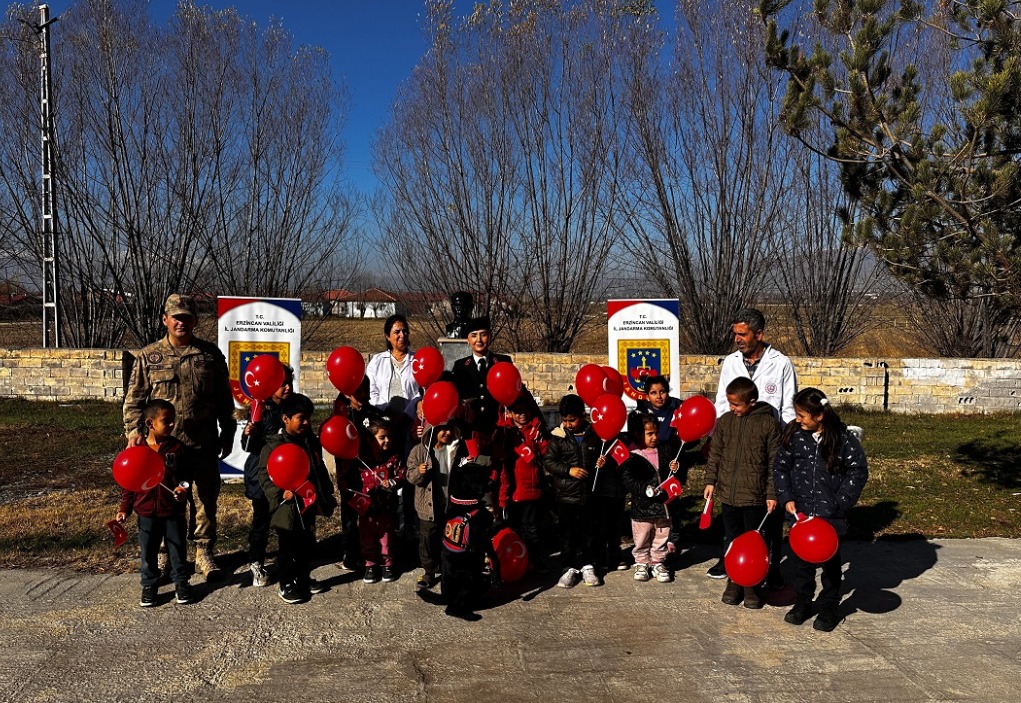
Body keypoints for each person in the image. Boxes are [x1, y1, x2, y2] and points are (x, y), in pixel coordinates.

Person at [122, 294, 236, 579]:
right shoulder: (149, 356)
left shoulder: (209, 355)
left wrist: (229, 431)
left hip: (202, 443)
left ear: (195, 321)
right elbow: (134, 400)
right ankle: (164, 555)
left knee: (205, 499)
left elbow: (224, 399)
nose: (181, 322)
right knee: (162, 501)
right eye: (176, 317)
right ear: (165, 320)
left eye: (186, 317)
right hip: (162, 450)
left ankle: (204, 552)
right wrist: (134, 433)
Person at [708, 307, 797, 583]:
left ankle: (772, 568)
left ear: (759, 334)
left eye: (743, 334)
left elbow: (789, 409)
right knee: (733, 507)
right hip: (736, 445)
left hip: (767, 444)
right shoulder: (731, 362)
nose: (738, 339)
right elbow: (722, 404)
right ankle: (729, 560)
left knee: (767, 512)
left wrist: (784, 446)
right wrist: (714, 439)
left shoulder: (781, 363)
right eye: (735, 333)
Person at [774, 388, 868, 632]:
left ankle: (828, 606)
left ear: (819, 416)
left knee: (830, 565)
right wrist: (786, 497)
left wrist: (841, 501)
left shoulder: (841, 438)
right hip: (802, 513)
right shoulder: (794, 435)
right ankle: (803, 602)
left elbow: (857, 470)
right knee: (802, 563)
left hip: (829, 516)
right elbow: (780, 468)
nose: (797, 419)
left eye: (802, 415)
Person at [703, 377, 781, 609]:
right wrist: (711, 481)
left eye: (736, 404)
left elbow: (774, 463)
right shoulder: (726, 421)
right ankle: (734, 580)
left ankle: (752, 586)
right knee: (731, 539)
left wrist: (772, 493)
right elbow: (715, 453)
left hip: (755, 497)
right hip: (729, 494)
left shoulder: (768, 425)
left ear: (752, 402)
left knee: (754, 542)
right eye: (729, 403)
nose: (732, 408)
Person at [258, 393, 337, 604]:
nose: (306, 422)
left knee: (306, 544)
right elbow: (265, 477)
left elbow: (318, 470)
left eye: (308, 418)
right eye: (301, 418)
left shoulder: (310, 442)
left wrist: (325, 493)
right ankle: (286, 583)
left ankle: (303, 577)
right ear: (285, 419)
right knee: (287, 546)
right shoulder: (274, 446)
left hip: (307, 503)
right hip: (286, 506)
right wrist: (279, 493)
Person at [116, 399, 196, 607]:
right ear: (150, 424)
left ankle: (181, 583)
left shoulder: (177, 448)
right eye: (166, 421)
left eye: (173, 420)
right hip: (146, 514)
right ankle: (149, 586)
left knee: (177, 550)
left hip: (173, 512)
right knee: (148, 552)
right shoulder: (138, 450)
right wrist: (125, 509)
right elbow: (129, 483)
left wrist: (183, 489)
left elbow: (186, 475)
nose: (172, 425)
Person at [240, 364, 293, 588]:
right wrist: (249, 433)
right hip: (261, 477)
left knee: (286, 521)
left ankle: (287, 559)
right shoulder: (261, 410)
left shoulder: (294, 407)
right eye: (282, 384)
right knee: (261, 522)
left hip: (287, 475)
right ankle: (256, 562)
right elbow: (248, 447)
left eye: (290, 382)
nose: (288, 387)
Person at [543, 394, 604, 588]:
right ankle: (567, 567)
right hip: (565, 497)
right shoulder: (558, 438)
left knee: (588, 533)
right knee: (567, 534)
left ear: (583, 416)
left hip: (588, 496)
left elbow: (600, 455)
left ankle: (587, 566)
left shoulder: (593, 435)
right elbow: (549, 462)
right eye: (565, 420)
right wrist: (569, 471)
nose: (568, 424)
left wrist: (601, 462)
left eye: (572, 420)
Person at [620, 412, 684, 584]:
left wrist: (674, 467)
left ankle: (658, 562)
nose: (655, 437)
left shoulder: (664, 449)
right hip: (642, 506)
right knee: (642, 536)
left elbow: (670, 473)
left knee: (661, 535)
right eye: (649, 434)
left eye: (656, 432)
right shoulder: (632, 454)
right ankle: (641, 562)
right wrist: (644, 489)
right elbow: (627, 479)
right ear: (638, 434)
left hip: (663, 505)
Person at [407, 420, 468, 590]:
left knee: (450, 538)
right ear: (432, 430)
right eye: (443, 429)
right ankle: (429, 571)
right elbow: (410, 477)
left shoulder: (455, 449)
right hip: (428, 506)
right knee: (428, 540)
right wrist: (419, 473)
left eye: (450, 429)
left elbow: (463, 470)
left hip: (450, 504)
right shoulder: (419, 451)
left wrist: (466, 464)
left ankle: (449, 569)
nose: (447, 433)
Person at [495, 389, 549, 572]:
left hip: (532, 490)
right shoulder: (504, 433)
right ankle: (518, 562)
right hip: (512, 491)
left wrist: (540, 440)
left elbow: (545, 455)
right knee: (515, 530)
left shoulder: (535, 430)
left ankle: (536, 561)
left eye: (524, 410)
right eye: (517, 411)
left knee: (532, 530)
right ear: (509, 413)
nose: (522, 414)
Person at [358, 418, 407, 584]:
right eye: (382, 437)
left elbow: (402, 474)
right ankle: (370, 565)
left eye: (389, 437)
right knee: (367, 537)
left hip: (387, 507)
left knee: (386, 537)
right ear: (371, 439)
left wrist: (392, 482)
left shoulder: (393, 458)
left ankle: (387, 564)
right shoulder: (362, 460)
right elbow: (354, 480)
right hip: (367, 509)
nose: (387, 440)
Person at [452, 315, 512, 443]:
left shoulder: (503, 362)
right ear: (468, 339)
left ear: (489, 336)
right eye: (473, 335)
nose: (478, 340)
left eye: (483, 334)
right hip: (470, 432)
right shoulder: (460, 366)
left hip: (498, 430)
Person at [637, 375, 681, 445]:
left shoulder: (678, 407)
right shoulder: (642, 411)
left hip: (672, 451)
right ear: (648, 397)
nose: (658, 396)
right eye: (653, 393)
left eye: (662, 392)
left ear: (667, 393)